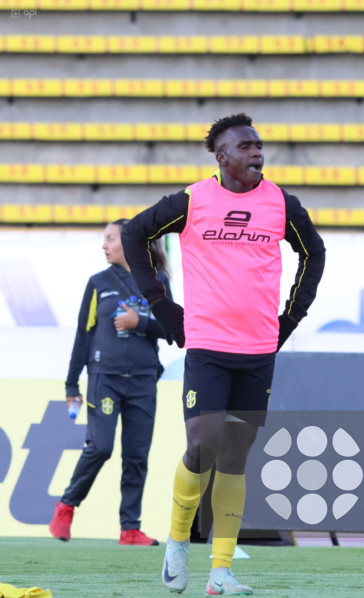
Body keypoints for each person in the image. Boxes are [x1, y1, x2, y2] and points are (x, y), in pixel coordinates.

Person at [121, 113, 325, 596]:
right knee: (202, 445)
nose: (258, 153)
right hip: (209, 345)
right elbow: (134, 234)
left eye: (259, 145)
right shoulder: (191, 200)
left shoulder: (281, 202)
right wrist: (163, 308)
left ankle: (220, 571)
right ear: (223, 157)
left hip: (258, 349)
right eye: (247, 146)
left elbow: (313, 254)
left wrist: (289, 319)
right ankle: (176, 544)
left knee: (236, 456)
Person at [49, 219, 171, 546]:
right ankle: (66, 506)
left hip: (144, 380)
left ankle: (130, 528)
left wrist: (140, 322)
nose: (104, 245)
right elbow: (83, 334)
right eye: (104, 239)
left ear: (129, 242)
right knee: (101, 447)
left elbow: (174, 330)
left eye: (110, 238)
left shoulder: (157, 281)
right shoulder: (97, 282)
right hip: (105, 377)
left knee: (136, 455)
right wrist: (71, 386)